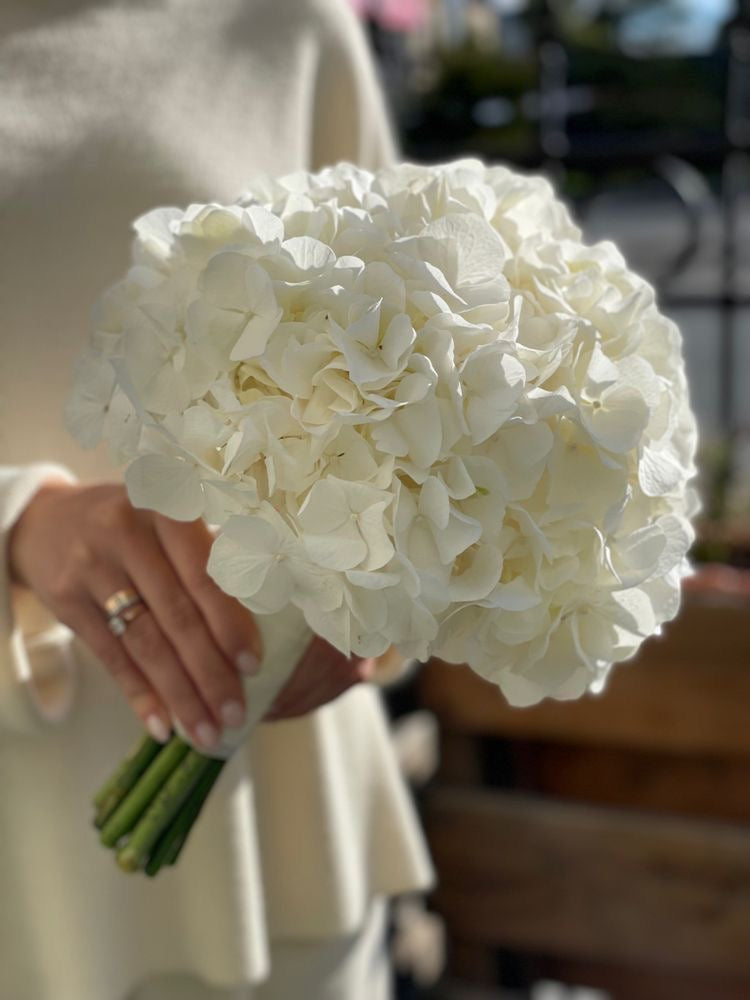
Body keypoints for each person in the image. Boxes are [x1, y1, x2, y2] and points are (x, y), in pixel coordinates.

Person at [0, 1, 435, 998]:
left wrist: (381, 583)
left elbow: (417, 371)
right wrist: (17, 522)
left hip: (274, 831)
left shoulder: (287, 26)